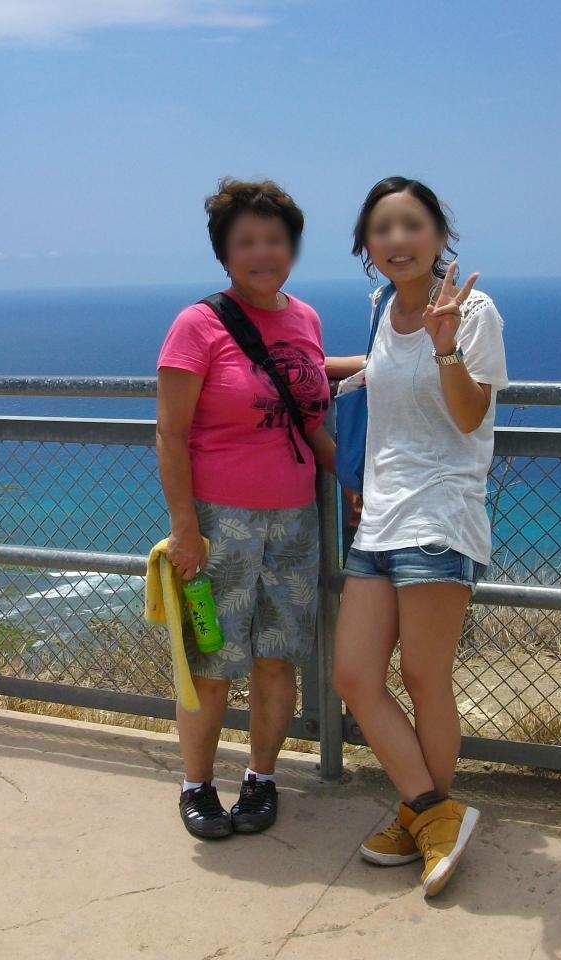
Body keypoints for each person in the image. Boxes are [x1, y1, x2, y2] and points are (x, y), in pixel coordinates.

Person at [327, 176, 508, 896]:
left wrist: (446, 345)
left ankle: (424, 817)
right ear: (366, 245)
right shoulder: (381, 306)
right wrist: (296, 368)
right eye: (382, 228)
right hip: (378, 516)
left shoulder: (473, 312)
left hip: (439, 514)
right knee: (354, 677)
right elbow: (378, 372)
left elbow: (469, 416)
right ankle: (432, 813)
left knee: (425, 679)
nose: (397, 240)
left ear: (439, 235)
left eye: (411, 225)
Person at [156, 178, 334, 839]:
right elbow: (170, 432)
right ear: (224, 253)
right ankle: (197, 785)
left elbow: (306, 398)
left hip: (296, 520)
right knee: (211, 662)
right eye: (247, 241)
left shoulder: (306, 318)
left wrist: (352, 476)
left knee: (276, 658)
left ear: (292, 247)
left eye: (275, 239)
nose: (263, 253)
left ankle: (261, 779)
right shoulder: (197, 325)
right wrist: (184, 529)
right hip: (217, 522)